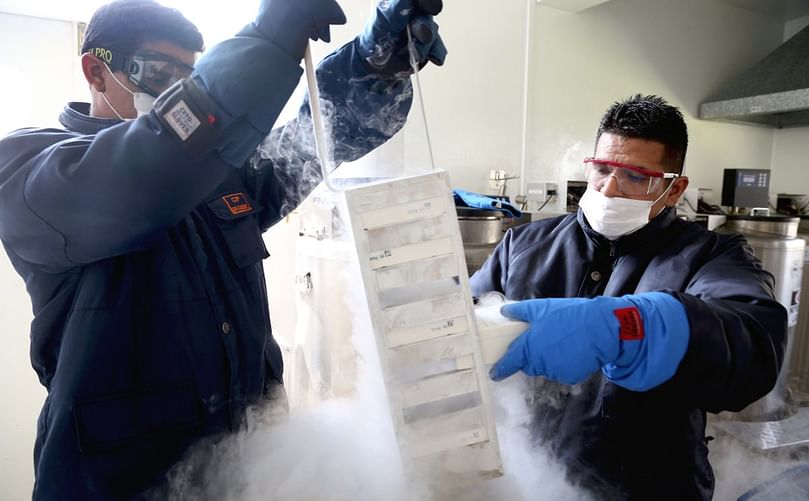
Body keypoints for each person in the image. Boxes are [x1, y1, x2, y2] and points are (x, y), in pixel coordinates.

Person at [0, 0, 446, 498]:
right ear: (96, 71)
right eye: (161, 74)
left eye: (188, 76)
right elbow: (150, 170)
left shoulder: (214, 169)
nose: (175, 91)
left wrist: (371, 68)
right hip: (121, 481)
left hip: (244, 469)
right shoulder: (30, 169)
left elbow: (305, 145)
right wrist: (265, 45)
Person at [470, 94, 787, 500]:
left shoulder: (711, 256)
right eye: (602, 169)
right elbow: (464, 328)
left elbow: (753, 346)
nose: (609, 188)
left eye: (636, 177)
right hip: (528, 479)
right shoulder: (523, 246)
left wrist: (629, 328)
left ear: (674, 190)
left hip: (648, 487)